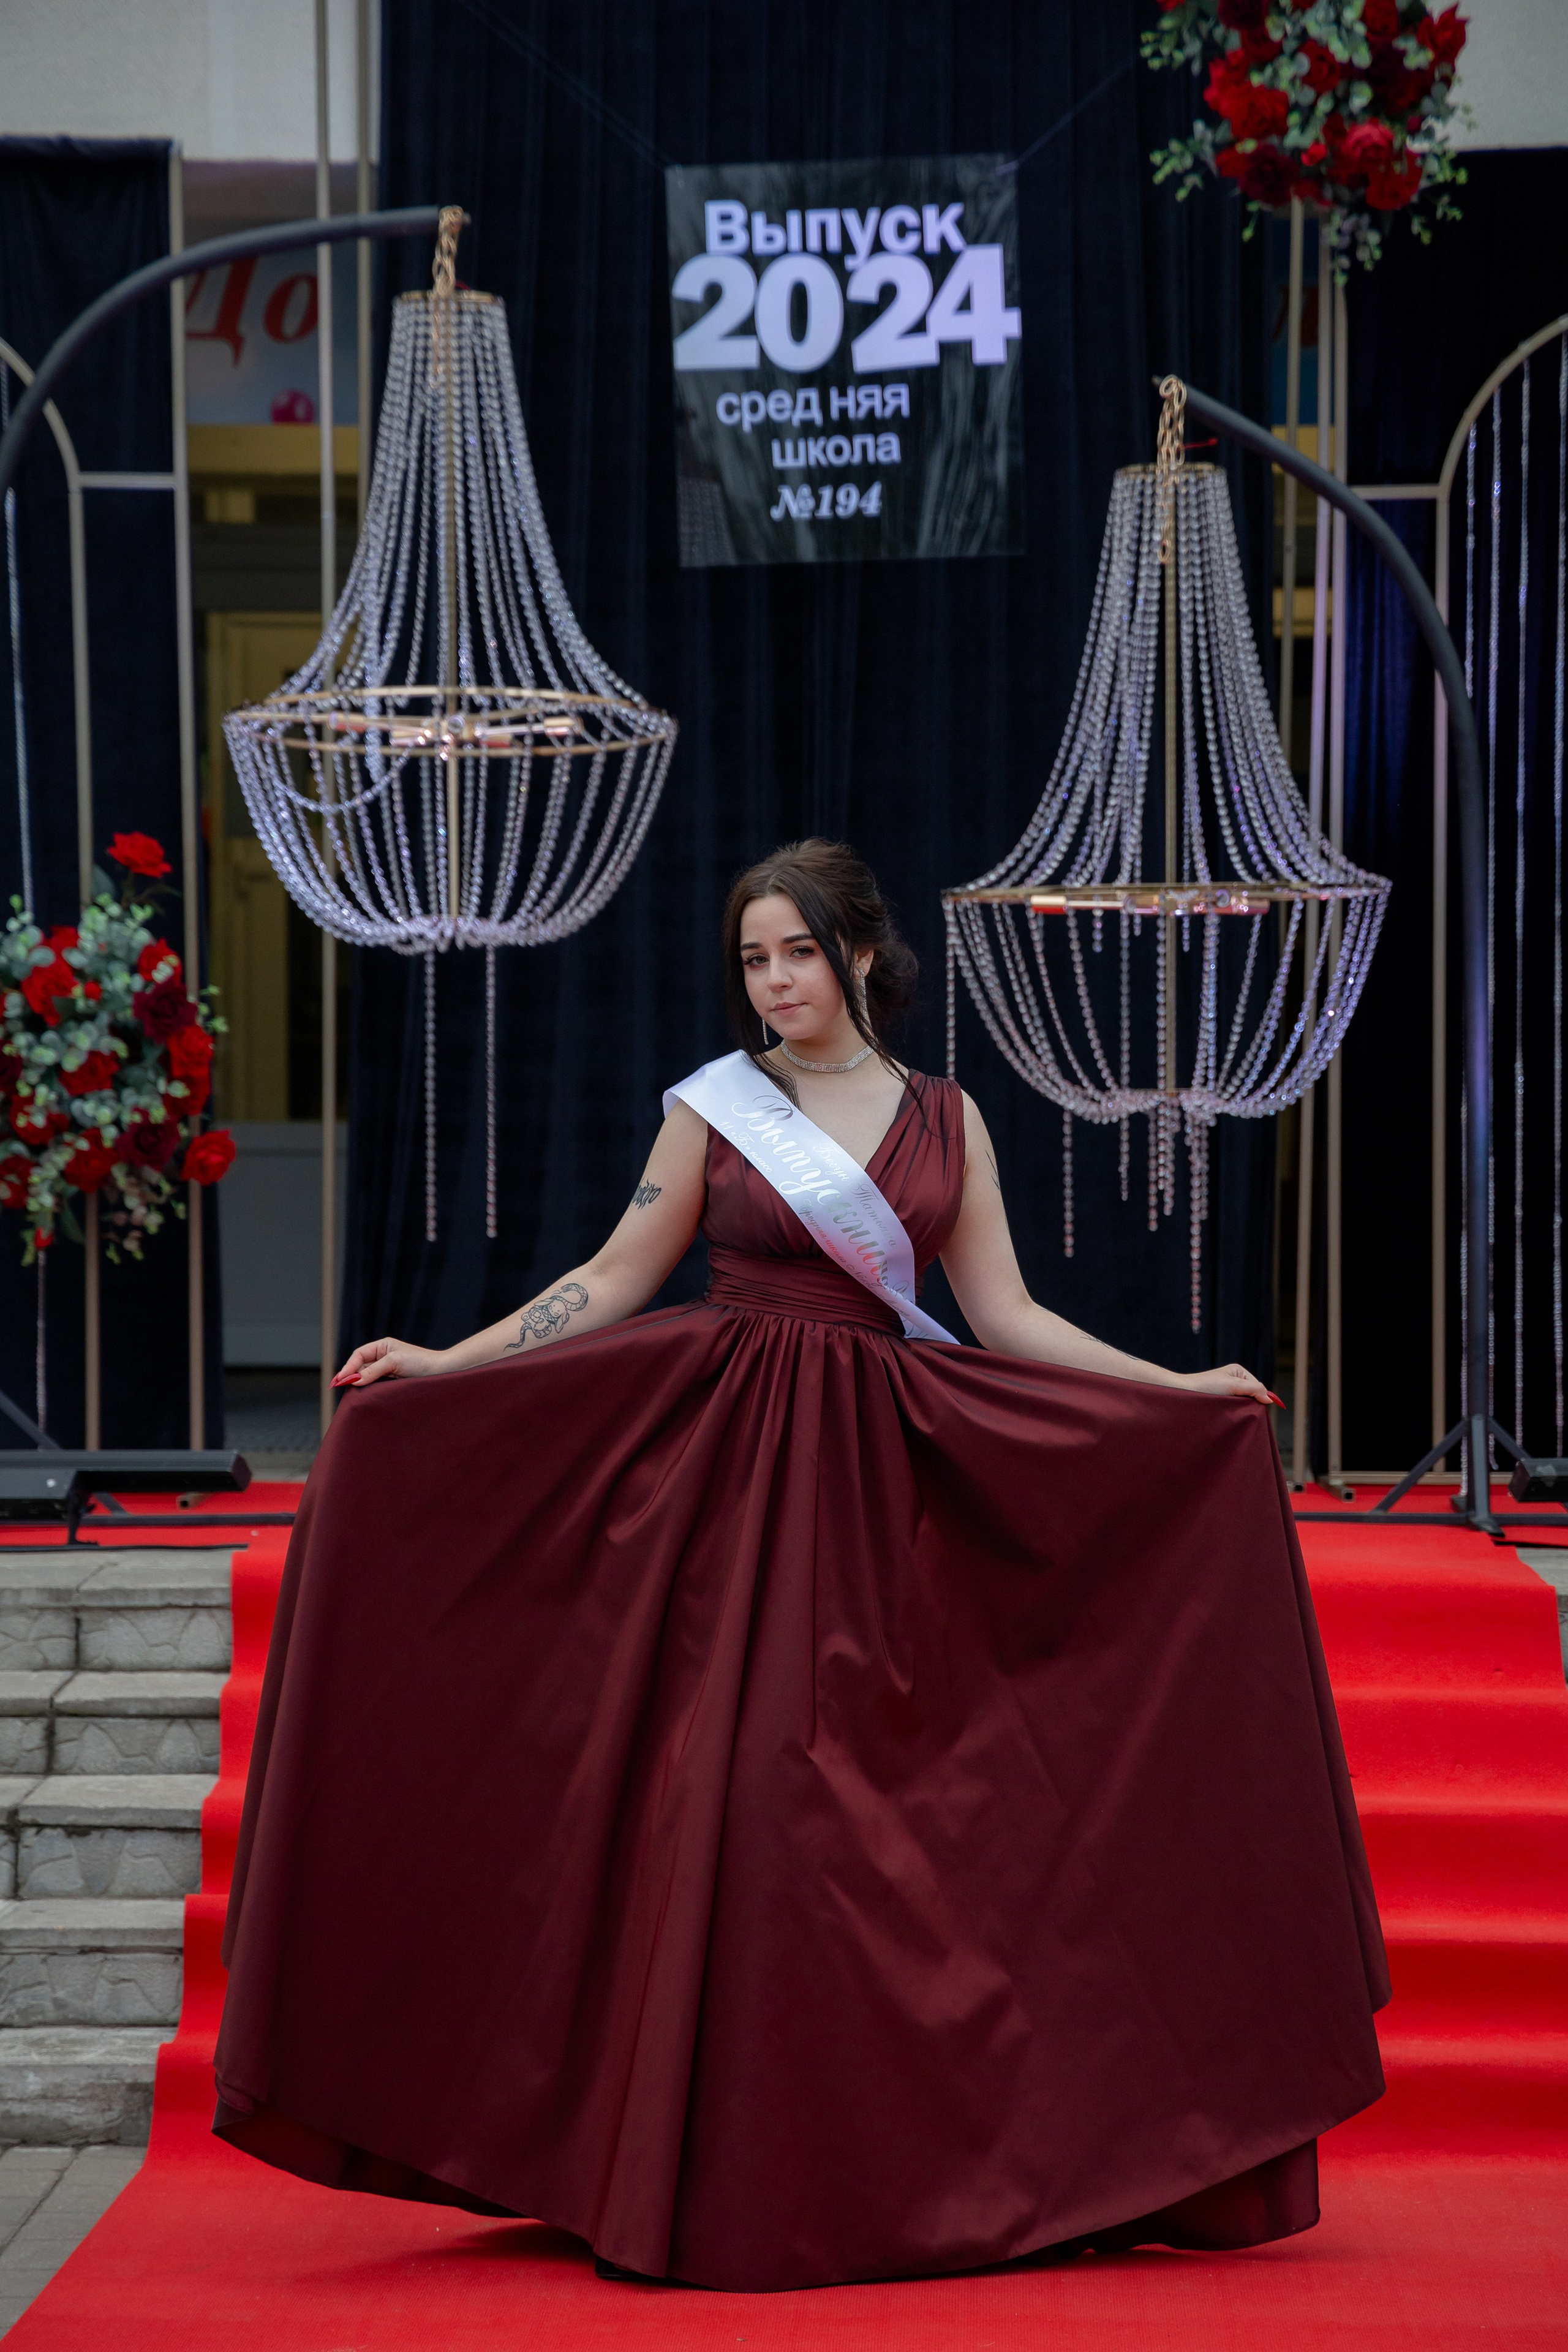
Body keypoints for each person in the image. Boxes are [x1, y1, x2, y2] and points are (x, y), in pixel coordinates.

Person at [214, 837, 1388, 2294]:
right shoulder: (717, 1109)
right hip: (720, 1473)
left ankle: (897, 2167)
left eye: (794, 954)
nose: (771, 983)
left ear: (859, 957)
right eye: (752, 960)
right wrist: (449, 1362)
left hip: (881, 1479)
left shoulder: (948, 1120)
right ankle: (678, 2170)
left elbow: (1007, 1318)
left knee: (871, 1837)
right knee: (734, 1797)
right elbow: (618, 1273)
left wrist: (1176, 1390)